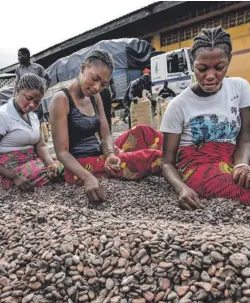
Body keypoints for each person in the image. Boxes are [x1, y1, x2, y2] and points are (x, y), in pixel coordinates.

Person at [161, 27, 250, 212]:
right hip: (200, 166)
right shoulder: (178, 105)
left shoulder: (239, 88)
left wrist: (241, 165)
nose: (210, 76)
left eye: (219, 67)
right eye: (202, 68)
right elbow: (167, 163)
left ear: (229, 60)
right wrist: (181, 188)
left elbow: (245, 140)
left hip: (234, 156)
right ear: (192, 63)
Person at [49, 50, 162, 202]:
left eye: (103, 84)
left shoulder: (95, 97)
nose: (96, 87)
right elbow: (61, 152)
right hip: (79, 166)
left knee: (143, 131)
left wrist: (109, 154)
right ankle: (186, 166)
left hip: (99, 154)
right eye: (94, 79)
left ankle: (185, 150)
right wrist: (87, 177)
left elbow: (106, 135)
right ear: (83, 68)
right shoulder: (61, 99)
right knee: (151, 157)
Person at [0, 73, 63, 191]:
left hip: (31, 161)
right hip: (9, 169)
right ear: (17, 91)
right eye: (28, 98)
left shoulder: (33, 117)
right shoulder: (3, 115)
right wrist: (14, 177)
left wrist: (50, 164)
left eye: (37, 102)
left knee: (63, 159)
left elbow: (41, 145)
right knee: (52, 171)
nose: (32, 105)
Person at [14, 48, 52, 121]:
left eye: (19, 56)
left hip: (36, 102)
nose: (18, 58)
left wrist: (42, 93)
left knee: (39, 121)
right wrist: (14, 97)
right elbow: (16, 84)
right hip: (24, 102)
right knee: (26, 122)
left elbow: (49, 79)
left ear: (25, 56)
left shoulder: (37, 68)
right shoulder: (18, 69)